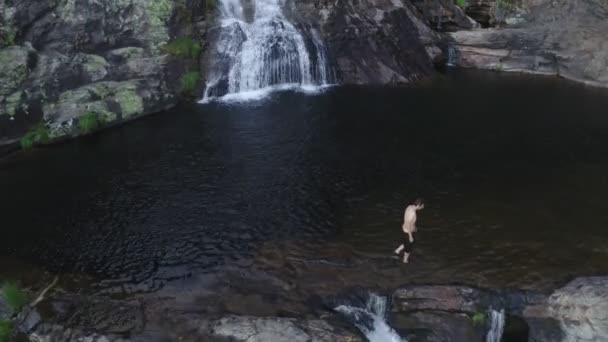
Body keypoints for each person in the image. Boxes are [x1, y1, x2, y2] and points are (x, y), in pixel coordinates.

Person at [394, 198, 424, 263]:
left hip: (403, 229)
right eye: (422, 206)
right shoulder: (412, 213)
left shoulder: (409, 206)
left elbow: (409, 222)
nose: (422, 207)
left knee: (406, 242)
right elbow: (408, 225)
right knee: (408, 249)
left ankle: (397, 251)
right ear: (418, 205)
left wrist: (414, 228)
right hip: (408, 232)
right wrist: (410, 236)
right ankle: (405, 260)